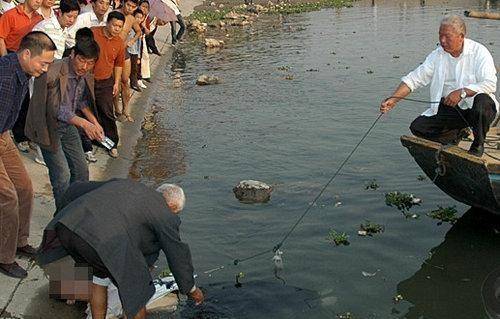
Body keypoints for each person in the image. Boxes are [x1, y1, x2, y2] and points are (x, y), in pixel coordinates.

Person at [38, 179, 205, 319]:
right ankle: (66, 290)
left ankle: (67, 290)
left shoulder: (127, 185)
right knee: (138, 292)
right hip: (98, 245)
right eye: (175, 212)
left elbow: (75, 189)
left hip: (66, 229)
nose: (173, 216)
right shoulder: (164, 214)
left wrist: (63, 215)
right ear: (170, 205)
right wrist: (191, 289)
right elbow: (177, 255)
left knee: (99, 278)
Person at [380, 15, 498, 157]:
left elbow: (490, 84)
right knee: (418, 127)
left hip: (477, 110)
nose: (442, 41)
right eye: (440, 36)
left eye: (447, 37)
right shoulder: (437, 56)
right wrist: (393, 100)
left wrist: (462, 92)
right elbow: (414, 79)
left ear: (461, 37)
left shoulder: (479, 52)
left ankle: (478, 144)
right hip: (453, 109)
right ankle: (457, 134)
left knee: (482, 104)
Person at [0, 31, 56, 279]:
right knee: (8, 197)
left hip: (3, 134)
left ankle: (19, 241)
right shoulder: (6, 78)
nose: (45, 69)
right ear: (25, 54)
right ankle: (4, 257)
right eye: (43, 63)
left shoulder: (23, 72)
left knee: (24, 188)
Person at [25, 32, 103, 210]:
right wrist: (84, 124)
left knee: (81, 170)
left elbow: (81, 101)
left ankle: (74, 209)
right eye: (82, 60)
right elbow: (55, 108)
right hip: (47, 127)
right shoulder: (52, 71)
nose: (85, 66)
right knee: (62, 175)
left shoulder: (84, 74)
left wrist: (94, 122)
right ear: (73, 54)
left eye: (90, 63)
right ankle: (61, 217)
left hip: (67, 126)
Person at [91, 11, 125, 158]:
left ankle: (112, 144)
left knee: (107, 112)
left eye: (120, 26)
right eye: (114, 25)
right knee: (89, 111)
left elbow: (118, 64)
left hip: (106, 81)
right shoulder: (93, 33)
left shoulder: (119, 42)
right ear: (107, 23)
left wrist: (116, 82)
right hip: (88, 79)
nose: (117, 29)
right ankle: (92, 141)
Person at [114, 0, 141, 122]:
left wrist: (132, 40)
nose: (130, 8)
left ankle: (126, 109)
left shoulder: (131, 19)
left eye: (133, 7)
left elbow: (139, 31)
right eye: (128, 5)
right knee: (116, 81)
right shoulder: (114, 14)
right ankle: (116, 109)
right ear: (124, 3)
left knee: (125, 81)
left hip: (124, 51)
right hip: (113, 50)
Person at [128, 8, 144, 92]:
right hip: (127, 50)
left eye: (140, 18)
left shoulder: (139, 30)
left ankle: (134, 83)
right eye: (136, 17)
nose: (138, 19)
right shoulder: (130, 27)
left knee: (134, 69)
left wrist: (139, 56)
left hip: (134, 52)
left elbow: (139, 45)